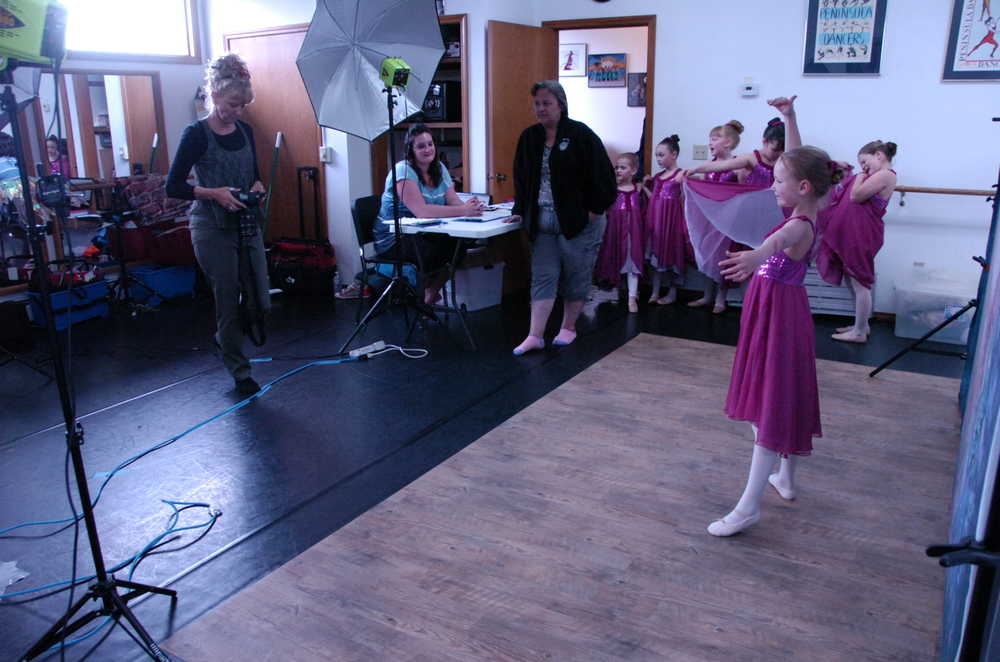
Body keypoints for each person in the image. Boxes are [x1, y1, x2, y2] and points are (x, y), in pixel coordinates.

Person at [708, 146, 841, 537]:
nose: (773, 187)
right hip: (777, 310)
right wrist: (790, 119)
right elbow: (800, 160)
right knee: (783, 395)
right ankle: (785, 478)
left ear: (804, 186)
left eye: (779, 181)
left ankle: (748, 507)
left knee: (770, 403)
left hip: (779, 315)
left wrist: (757, 256)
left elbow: (780, 239)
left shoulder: (799, 224)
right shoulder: (810, 207)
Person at [166, 53, 269, 396]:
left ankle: (225, 339)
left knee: (260, 298)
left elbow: (254, 175)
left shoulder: (246, 131)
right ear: (214, 95)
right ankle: (240, 371)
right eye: (232, 104)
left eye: (243, 105)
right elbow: (173, 186)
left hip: (246, 222)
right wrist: (214, 193)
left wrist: (258, 186)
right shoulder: (196, 134)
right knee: (228, 301)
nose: (237, 111)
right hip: (212, 227)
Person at [507, 80, 616, 355]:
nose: (541, 109)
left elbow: (604, 177)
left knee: (576, 275)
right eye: (537, 104)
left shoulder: (581, 134)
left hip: (580, 222)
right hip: (543, 220)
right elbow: (521, 178)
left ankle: (568, 327)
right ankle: (535, 335)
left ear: (561, 104)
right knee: (542, 276)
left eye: (547, 103)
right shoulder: (529, 137)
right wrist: (519, 210)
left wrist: (594, 210)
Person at [374, 123, 483, 305]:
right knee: (443, 250)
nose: (427, 149)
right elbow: (422, 211)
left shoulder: (439, 167)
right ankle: (422, 293)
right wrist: (463, 211)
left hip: (424, 233)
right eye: (421, 146)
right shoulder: (403, 171)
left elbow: (452, 200)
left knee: (461, 243)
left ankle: (431, 291)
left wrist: (471, 207)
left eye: (430, 144)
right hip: (395, 238)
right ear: (410, 150)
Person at [818, 140, 898, 343]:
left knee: (860, 283)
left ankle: (860, 332)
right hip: (853, 233)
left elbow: (856, 195)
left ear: (879, 155)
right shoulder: (874, 175)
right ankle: (860, 324)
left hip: (862, 234)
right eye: (861, 164)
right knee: (852, 279)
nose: (863, 167)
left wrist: (860, 176)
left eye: (864, 161)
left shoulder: (886, 174)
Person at [686, 120, 745, 314]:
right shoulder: (708, 166)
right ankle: (707, 295)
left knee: (723, 256)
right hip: (709, 218)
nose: (710, 143)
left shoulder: (738, 166)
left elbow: (743, 191)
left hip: (729, 219)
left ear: (727, 143)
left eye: (714, 139)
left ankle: (721, 297)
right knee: (707, 254)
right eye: (709, 139)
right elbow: (702, 189)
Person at [594, 152, 645, 313]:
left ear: (633, 171)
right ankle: (615, 291)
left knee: (632, 263)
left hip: (633, 235)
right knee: (614, 259)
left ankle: (632, 297)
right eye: (617, 167)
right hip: (615, 233)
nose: (618, 170)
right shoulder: (612, 190)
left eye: (623, 168)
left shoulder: (638, 190)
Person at [641, 135, 686, 305]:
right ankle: (655, 291)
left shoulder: (681, 175)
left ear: (673, 154)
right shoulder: (658, 177)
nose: (658, 159)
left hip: (672, 222)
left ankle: (672, 292)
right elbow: (654, 199)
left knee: (673, 253)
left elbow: (684, 199)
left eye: (661, 155)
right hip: (657, 221)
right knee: (656, 253)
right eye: (656, 156)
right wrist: (645, 187)